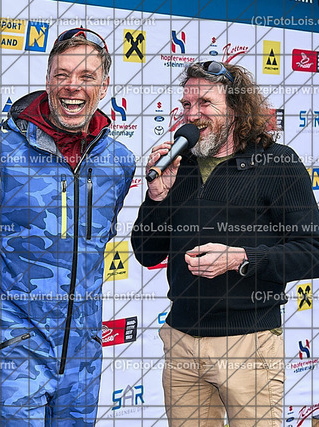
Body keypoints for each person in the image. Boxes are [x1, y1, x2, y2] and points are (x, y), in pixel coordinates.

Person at [0, 28, 135, 425]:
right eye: (62, 75)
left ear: (104, 86)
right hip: (13, 353)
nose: (73, 87)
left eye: (87, 77)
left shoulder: (119, 162)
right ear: (48, 79)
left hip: (82, 359)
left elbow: (96, 247)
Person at [131, 61, 319, 426]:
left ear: (234, 108)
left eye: (205, 103)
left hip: (249, 344)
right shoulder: (180, 165)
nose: (192, 115)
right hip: (182, 342)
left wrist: (242, 258)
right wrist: (156, 197)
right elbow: (146, 252)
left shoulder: (277, 163)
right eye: (187, 105)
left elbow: (313, 250)